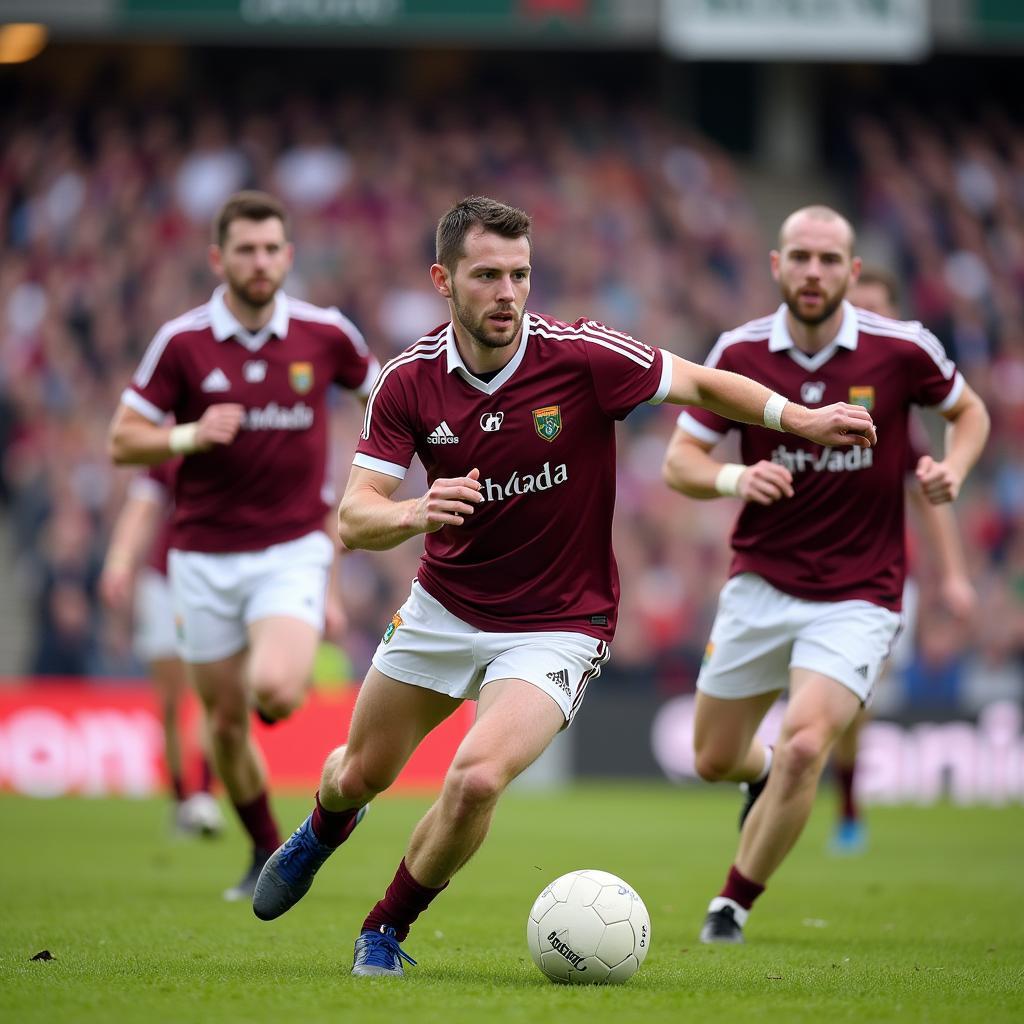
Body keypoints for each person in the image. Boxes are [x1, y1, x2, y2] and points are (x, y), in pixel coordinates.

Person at [249, 195, 877, 977]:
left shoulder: (582, 357)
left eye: (519, 275)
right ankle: (319, 829)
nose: (508, 292)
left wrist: (800, 420)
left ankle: (385, 930)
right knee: (357, 773)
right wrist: (416, 510)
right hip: (444, 609)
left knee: (476, 778)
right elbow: (352, 517)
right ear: (443, 280)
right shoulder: (407, 382)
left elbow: (706, 386)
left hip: (559, 623)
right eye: (487, 276)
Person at [661, 206, 990, 944]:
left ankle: (731, 905)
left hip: (860, 593)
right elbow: (678, 463)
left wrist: (953, 469)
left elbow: (969, 413)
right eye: (801, 258)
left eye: (829, 260)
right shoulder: (739, 351)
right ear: (777, 265)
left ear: (852, 272)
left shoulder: (902, 348)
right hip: (759, 583)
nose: (814, 272)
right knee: (713, 758)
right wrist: (734, 481)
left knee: (810, 744)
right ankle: (764, 771)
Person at [107, 190, 380, 900]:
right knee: (225, 726)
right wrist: (189, 434)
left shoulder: (326, 334)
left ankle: (275, 809)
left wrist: (368, 477)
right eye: (246, 250)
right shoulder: (182, 341)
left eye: (271, 250)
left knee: (276, 690)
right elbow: (122, 438)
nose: (260, 263)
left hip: (292, 548)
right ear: (218, 258)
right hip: (200, 558)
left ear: (288, 256)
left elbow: (383, 398)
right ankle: (265, 845)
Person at [828, 266, 977, 853]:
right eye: (855, 312)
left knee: (850, 698)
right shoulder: (805, 382)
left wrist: (956, 577)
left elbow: (929, 493)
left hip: (875, 579)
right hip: (792, 576)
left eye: (875, 313)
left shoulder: (895, 410)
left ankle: (844, 805)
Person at [99, 461, 223, 837]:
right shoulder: (167, 452)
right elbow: (142, 510)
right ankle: (180, 797)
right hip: (164, 585)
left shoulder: (234, 439)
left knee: (208, 694)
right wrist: (120, 563)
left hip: (214, 581)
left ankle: (203, 795)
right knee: (170, 703)